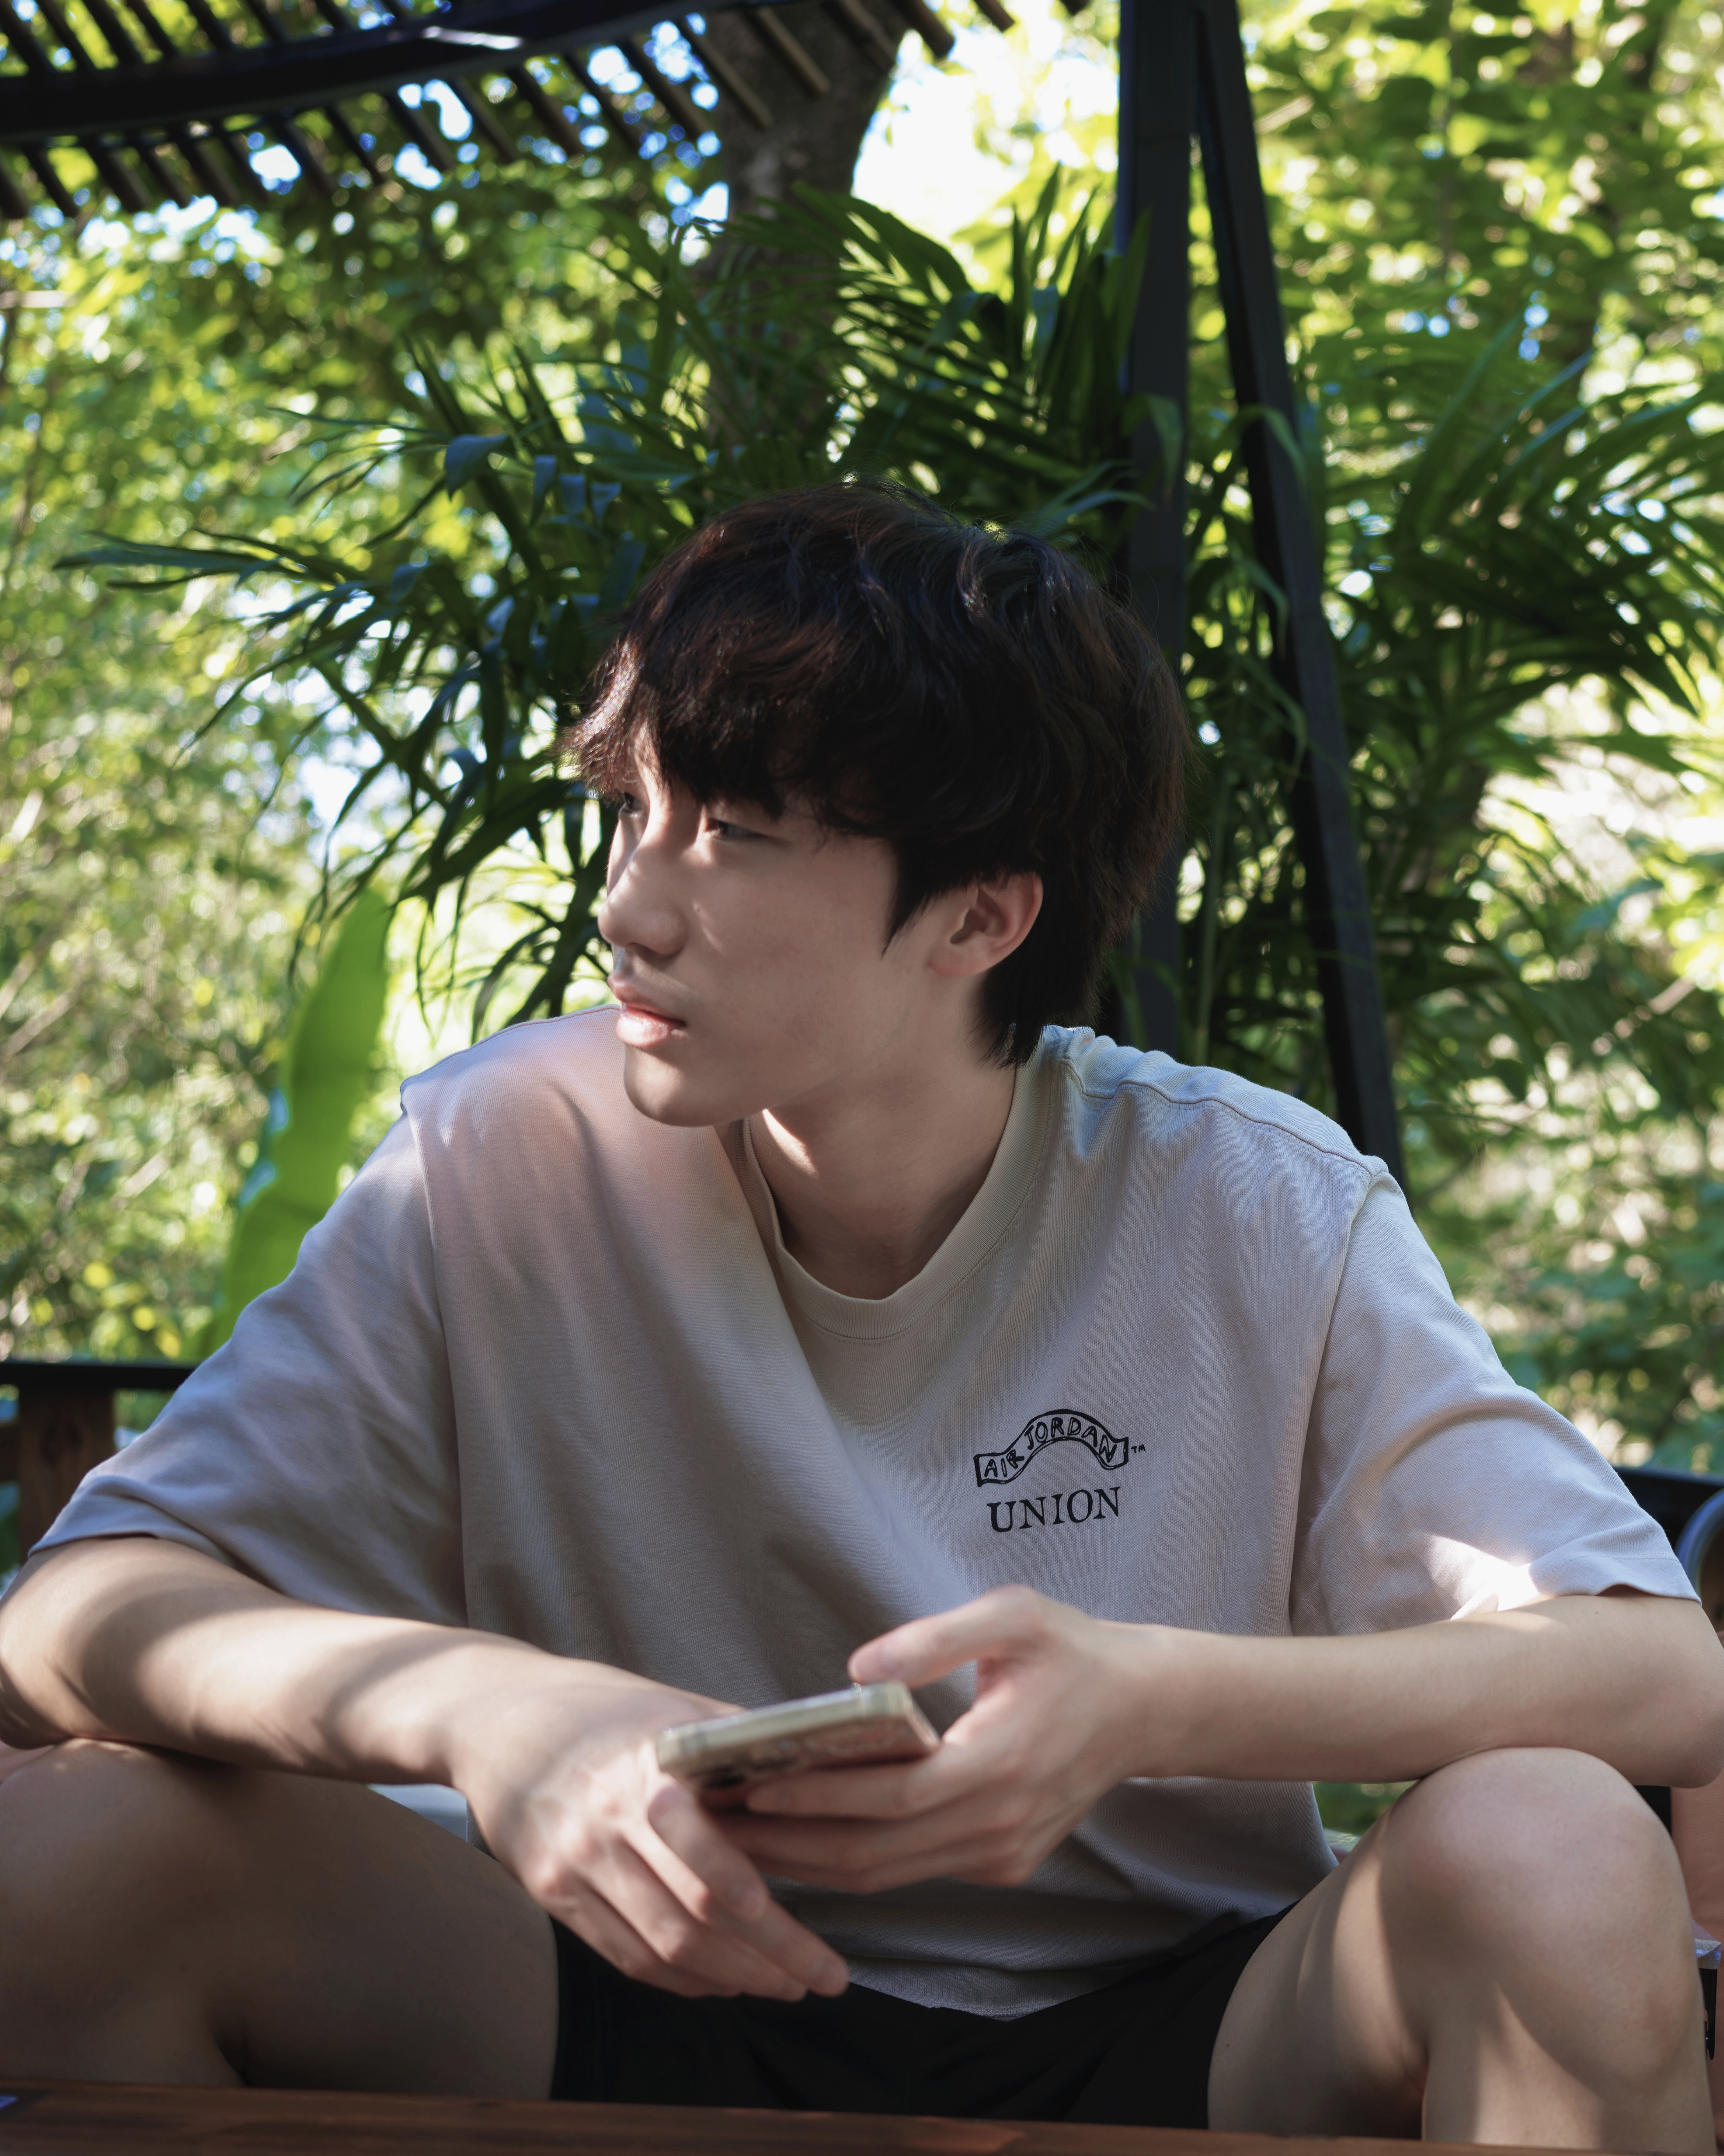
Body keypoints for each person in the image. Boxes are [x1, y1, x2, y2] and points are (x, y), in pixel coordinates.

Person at [0, 482, 1720, 2147]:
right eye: (630, 812)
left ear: (978, 913)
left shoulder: (1254, 1202)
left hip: (1175, 2027)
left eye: (734, 837)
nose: (628, 903)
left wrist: (1148, 1699)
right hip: (619, 1983)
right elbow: (65, 1618)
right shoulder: (500, 1158)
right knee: (65, 1853)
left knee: (1556, 1848)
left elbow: (1662, 1674)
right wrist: (484, 1710)